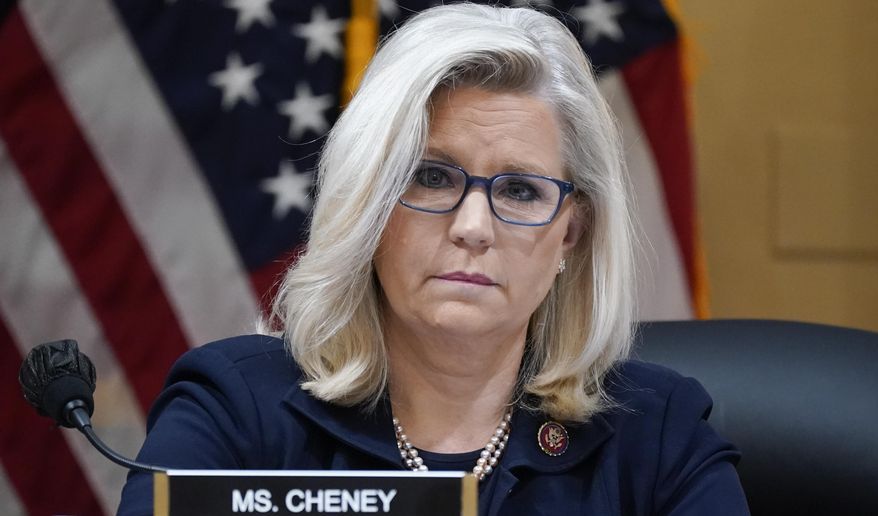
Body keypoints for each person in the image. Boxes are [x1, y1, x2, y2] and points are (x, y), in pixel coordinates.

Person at [118, 4, 749, 515]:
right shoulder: (235, 409)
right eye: (432, 178)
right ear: (370, 203)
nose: (473, 227)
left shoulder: (657, 432)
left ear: (571, 234)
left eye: (521, 190)